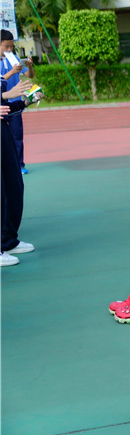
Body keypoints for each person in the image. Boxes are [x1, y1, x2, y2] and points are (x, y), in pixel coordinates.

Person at [1, 73, 38, 266]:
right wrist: (6, 95)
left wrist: (25, 102)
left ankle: (7, 241)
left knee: (14, 187)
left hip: (2, 133)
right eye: (5, 47)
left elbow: (4, 109)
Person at [1, 29, 34, 174]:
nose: (9, 49)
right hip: (2, 104)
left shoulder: (14, 58)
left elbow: (29, 75)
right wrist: (12, 72)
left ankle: (20, 165)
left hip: (15, 104)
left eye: (11, 46)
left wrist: (30, 65)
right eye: (6, 46)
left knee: (16, 135)